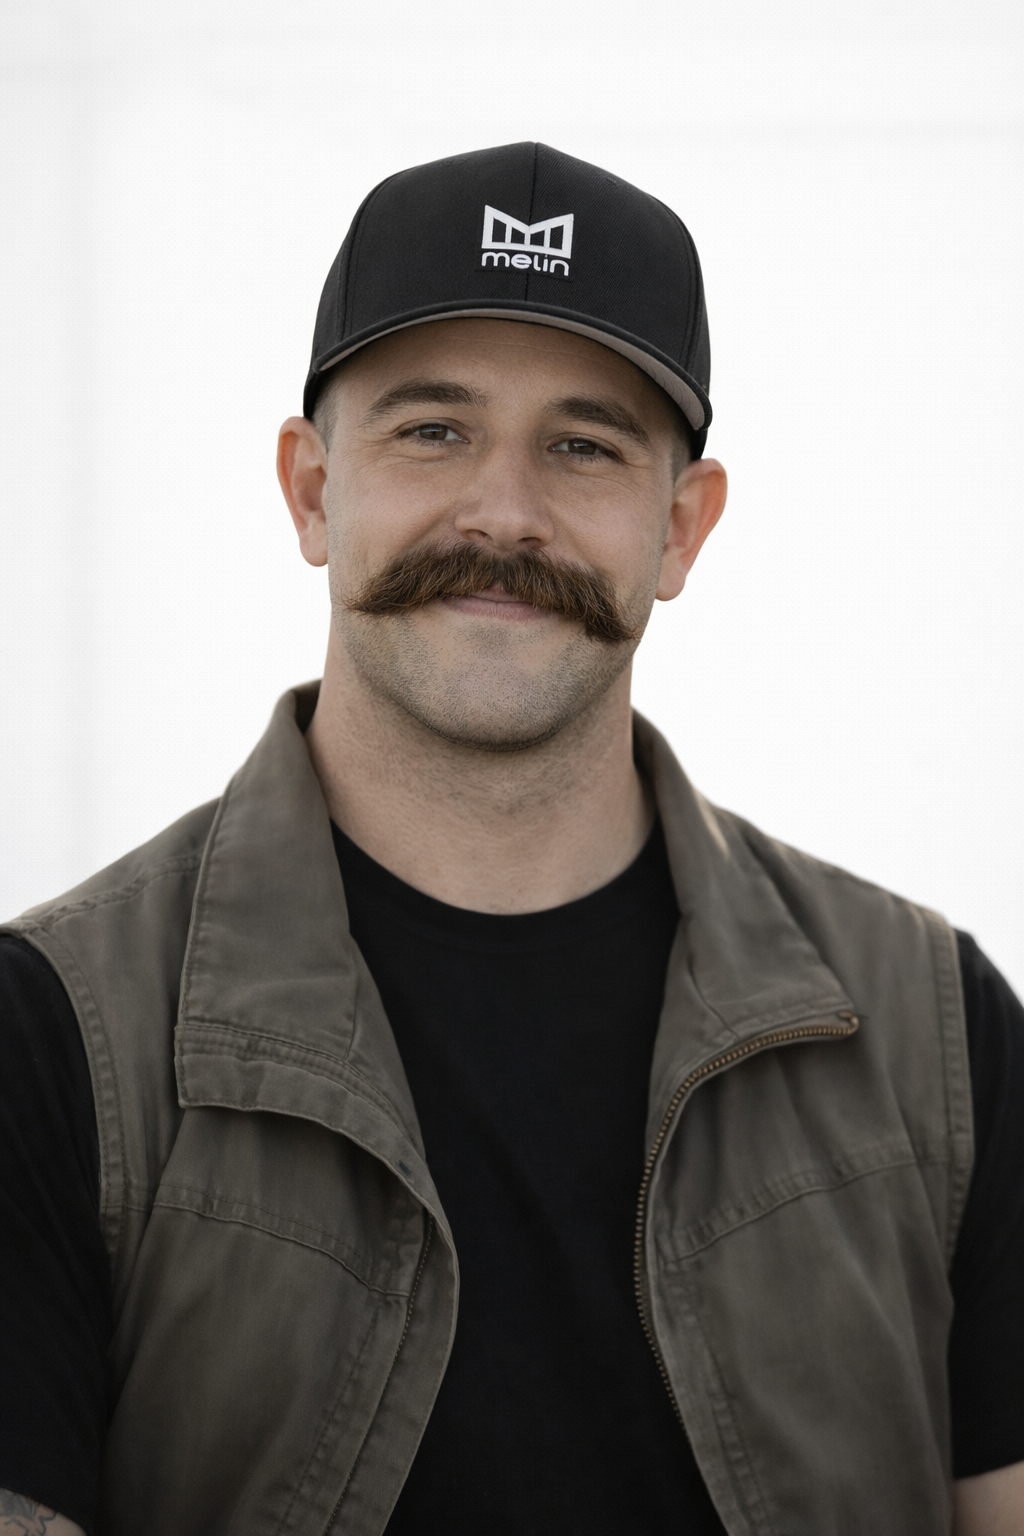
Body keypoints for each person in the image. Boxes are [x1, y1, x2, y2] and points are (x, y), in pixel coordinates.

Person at [1, 142, 1021, 1536]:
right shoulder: (51, 1037)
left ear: (681, 527)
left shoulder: (936, 1035)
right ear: (311, 491)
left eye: (583, 445)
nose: (504, 511)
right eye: (432, 430)